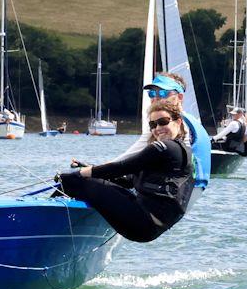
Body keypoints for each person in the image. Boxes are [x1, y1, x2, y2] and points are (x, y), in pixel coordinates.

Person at [57, 99, 194, 242]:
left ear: (178, 122)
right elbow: (128, 180)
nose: (158, 128)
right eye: (153, 124)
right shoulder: (182, 152)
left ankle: (44, 222)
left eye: (163, 121)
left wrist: (80, 174)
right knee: (88, 180)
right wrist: (89, 167)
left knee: (71, 182)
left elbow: (122, 167)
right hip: (149, 227)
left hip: (143, 221)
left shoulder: (166, 147)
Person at [113, 72, 210, 189]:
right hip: (195, 186)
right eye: (152, 93)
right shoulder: (190, 120)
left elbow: (126, 158)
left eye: (163, 93)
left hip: (179, 189)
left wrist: (99, 171)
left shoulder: (169, 124)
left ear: (179, 97)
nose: (156, 98)